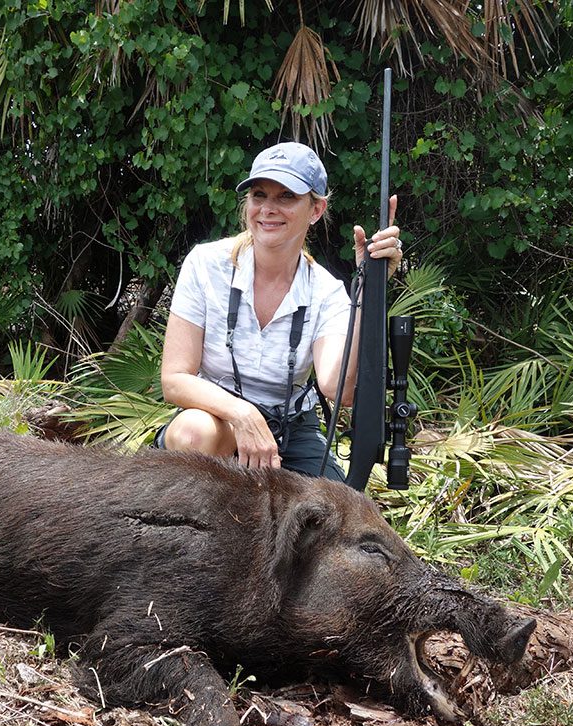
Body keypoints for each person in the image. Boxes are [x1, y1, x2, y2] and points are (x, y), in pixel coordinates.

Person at [154, 142, 404, 480]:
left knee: (336, 515)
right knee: (192, 433)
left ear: (315, 210)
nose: (268, 209)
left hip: (292, 430)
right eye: (259, 195)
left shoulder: (326, 291)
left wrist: (367, 289)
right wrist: (243, 414)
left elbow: (339, 389)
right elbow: (174, 379)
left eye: (286, 196)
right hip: (217, 418)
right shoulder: (205, 264)